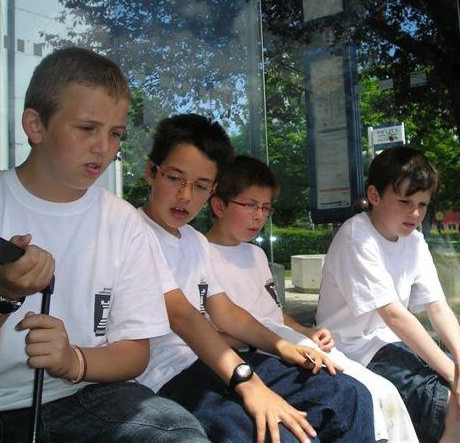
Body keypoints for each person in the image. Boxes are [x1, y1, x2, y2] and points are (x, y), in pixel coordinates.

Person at [0, 47, 208, 442]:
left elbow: (135, 352)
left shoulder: (123, 221)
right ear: (36, 126)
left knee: (178, 434)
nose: (103, 148)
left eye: (115, 133)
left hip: (88, 394)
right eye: (86, 128)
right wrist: (2, 295)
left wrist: (73, 360)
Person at [136, 113, 375, 443]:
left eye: (201, 185)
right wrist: (249, 383)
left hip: (219, 362)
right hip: (168, 375)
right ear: (151, 172)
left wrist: (284, 346)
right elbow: (183, 316)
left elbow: (226, 311)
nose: (185, 196)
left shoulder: (194, 241)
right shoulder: (134, 233)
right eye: (175, 178)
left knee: (349, 396)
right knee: (281, 435)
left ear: (212, 190)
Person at [315, 146, 460, 443]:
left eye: (423, 204)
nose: (415, 213)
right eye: (404, 201)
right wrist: (455, 375)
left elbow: (438, 307)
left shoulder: (413, 240)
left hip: (394, 346)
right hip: (355, 353)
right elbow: (394, 315)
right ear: (374, 196)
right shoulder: (356, 237)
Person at [206, 154, 418, 442]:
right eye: (251, 205)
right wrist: (272, 342)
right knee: (356, 394)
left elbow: (273, 312)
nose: (259, 216)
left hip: (289, 344)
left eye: (266, 208)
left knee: (383, 392)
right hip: (258, 356)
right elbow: (207, 329)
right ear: (219, 205)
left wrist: (307, 331)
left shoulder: (255, 254)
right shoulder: (201, 254)